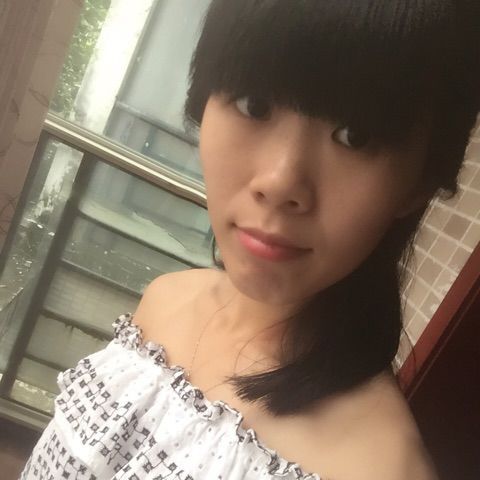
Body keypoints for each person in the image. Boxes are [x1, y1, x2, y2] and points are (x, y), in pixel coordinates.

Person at [21, 1, 479, 479]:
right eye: (254, 104)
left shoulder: (382, 469)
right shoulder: (165, 299)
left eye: (354, 136)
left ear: (419, 183)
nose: (280, 182)